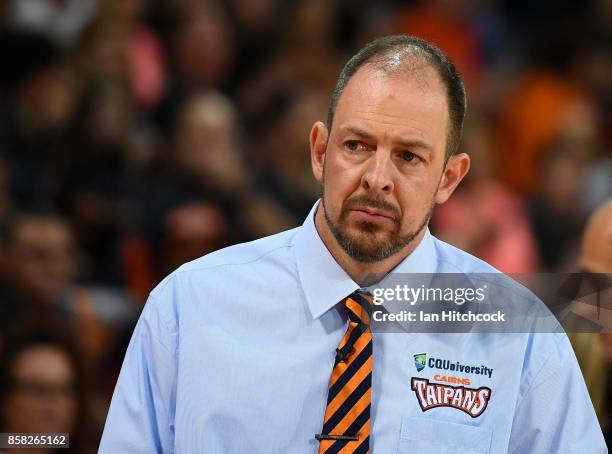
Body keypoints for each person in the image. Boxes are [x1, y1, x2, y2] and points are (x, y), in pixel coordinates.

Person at [99, 35, 605, 453]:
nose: (376, 178)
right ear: (320, 150)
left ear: (449, 179)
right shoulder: (189, 305)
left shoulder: (521, 332)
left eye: (409, 157)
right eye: (357, 145)